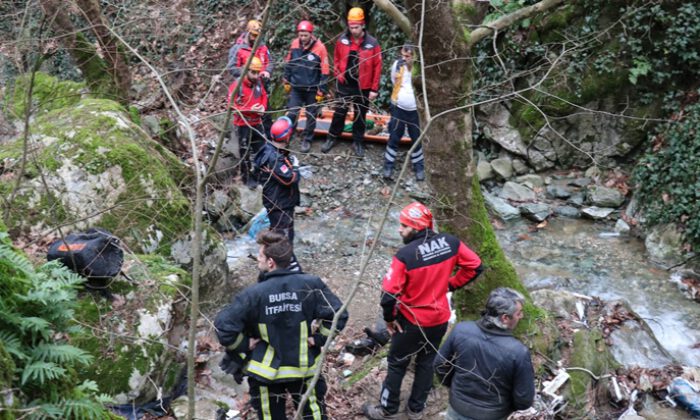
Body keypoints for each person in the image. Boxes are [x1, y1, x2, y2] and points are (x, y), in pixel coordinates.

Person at [363, 202, 484, 420]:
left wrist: (390, 320)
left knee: (397, 363)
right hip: (439, 319)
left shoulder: (405, 255)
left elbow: (388, 294)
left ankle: (387, 409)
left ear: (418, 227)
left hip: (412, 320)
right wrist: (451, 285)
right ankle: (416, 410)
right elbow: (475, 266)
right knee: (427, 362)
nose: (399, 229)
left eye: (404, 226)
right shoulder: (450, 242)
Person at [215, 230, 348, 420]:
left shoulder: (253, 294)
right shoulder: (310, 285)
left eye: (260, 255)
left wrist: (244, 345)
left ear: (271, 262)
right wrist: (319, 338)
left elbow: (223, 326)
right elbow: (339, 314)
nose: (257, 259)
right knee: (314, 415)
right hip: (304, 368)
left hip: (265, 373)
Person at [434, 288, 535, 420]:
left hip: (457, 408)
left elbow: (439, 364)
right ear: (505, 318)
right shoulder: (518, 352)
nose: (521, 316)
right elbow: (524, 400)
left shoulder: (461, 330)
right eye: (519, 313)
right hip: (493, 414)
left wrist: (455, 388)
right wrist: (507, 408)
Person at [321, 7, 382, 158]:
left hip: (363, 86)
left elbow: (378, 66)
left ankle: (358, 141)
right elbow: (336, 58)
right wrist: (338, 74)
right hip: (345, 84)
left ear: (363, 25)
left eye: (356, 27)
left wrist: (374, 89)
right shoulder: (342, 40)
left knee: (360, 115)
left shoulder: (372, 43)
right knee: (339, 112)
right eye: (351, 27)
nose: (353, 30)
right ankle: (332, 137)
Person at [254, 116, 302, 272]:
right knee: (284, 238)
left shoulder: (269, 149)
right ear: (286, 136)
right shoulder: (274, 158)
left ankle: (273, 262)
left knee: (279, 234)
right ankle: (288, 267)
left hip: (276, 200)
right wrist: (295, 167)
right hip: (279, 203)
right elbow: (290, 179)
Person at [283, 20, 330, 153]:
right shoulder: (294, 44)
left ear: (311, 34)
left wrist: (322, 90)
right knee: (292, 113)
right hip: (296, 87)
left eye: (305, 35)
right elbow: (289, 62)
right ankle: (287, 135)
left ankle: (307, 139)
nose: (303, 38)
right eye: (301, 35)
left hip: (312, 89)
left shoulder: (320, 48)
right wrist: (286, 79)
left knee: (311, 116)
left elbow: (325, 70)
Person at [383, 44, 425, 182]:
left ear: (414, 57)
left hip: (415, 111)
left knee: (416, 138)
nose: (404, 58)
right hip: (398, 107)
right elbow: (393, 80)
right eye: (403, 55)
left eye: (407, 56)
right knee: (394, 136)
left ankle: (419, 166)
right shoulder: (397, 65)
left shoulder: (420, 68)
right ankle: (388, 166)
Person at [227, 55, 268, 189]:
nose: (256, 76)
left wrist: (263, 107)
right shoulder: (236, 86)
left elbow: (264, 96)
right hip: (242, 124)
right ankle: (247, 178)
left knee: (262, 149)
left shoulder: (258, 83)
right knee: (244, 153)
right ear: (246, 70)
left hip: (257, 122)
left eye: (258, 72)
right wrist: (250, 109)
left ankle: (261, 174)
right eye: (253, 72)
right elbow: (231, 106)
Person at [228, 19, 274, 89]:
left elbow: (270, 62)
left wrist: (267, 71)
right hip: (245, 86)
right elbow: (232, 68)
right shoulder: (237, 49)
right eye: (254, 35)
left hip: (262, 85)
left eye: (258, 36)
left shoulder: (263, 47)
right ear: (248, 32)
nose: (255, 38)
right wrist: (249, 74)